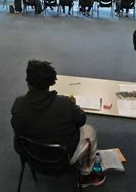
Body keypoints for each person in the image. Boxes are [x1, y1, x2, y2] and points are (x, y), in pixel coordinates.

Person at [11, 60, 106, 188]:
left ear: (28, 83)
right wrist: (74, 106)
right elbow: (81, 120)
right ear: (51, 82)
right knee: (89, 131)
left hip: (32, 157)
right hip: (61, 160)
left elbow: (18, 131)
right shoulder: (64, 103)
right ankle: (86, 175)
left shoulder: (18, 104)